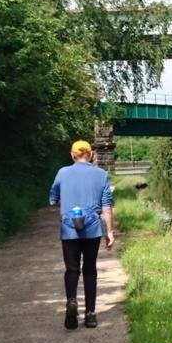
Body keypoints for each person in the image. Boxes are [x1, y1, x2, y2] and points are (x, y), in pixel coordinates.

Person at [48, 140, 115, 330]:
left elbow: (53, 198)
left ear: (72, 155)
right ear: (91, 154)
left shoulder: (62, 172)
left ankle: (71, 301)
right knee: (90, 270)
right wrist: (109, 232)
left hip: (69, 229)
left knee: (72, 269)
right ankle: (90, 314)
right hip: (92, 228)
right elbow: (106, 207)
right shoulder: (101, 174)